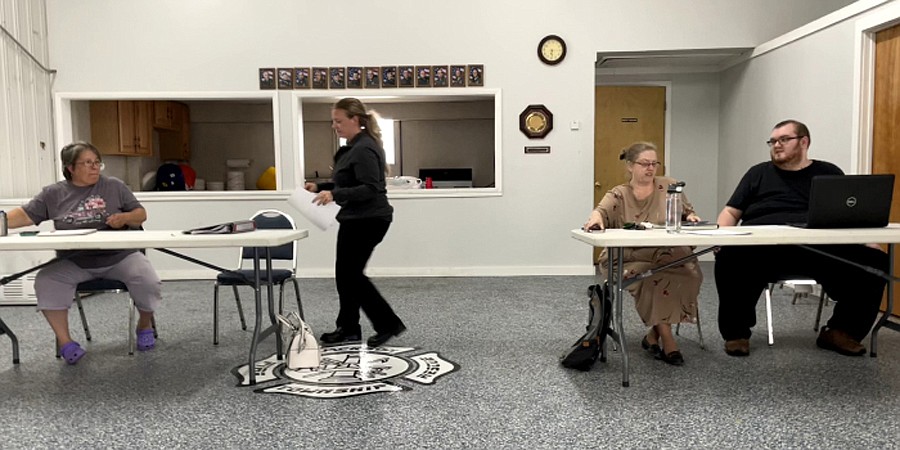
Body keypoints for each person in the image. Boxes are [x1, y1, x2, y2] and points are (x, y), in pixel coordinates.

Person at [715, 119, 888, 357]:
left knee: (875, 261)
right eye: (773, 141)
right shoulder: (758, 173)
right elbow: (730, 212)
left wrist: (868, 241)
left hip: (820, 249)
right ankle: (736, 334)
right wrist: (722, 238)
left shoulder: (828, 172)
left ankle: (841, 331)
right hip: (763, 248)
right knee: (729, 258)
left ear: (804, 141)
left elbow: (847, 215)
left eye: (784, 140)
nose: (776, 145)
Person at [5, 141, 162, 364]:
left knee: (148, 279)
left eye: (97, 162)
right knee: (47, 280)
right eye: (88, 163)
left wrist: (125, 218)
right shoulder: (53, 193)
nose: (95, 167)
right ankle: (66, 342)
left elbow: (140, 214)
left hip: (119, 257)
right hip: (75, 261)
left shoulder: (114, 186)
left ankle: (144, 324)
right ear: (70, 168)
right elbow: (25, 215)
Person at [583, 141, 703, 366]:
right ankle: (668, 341)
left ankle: (652, 336)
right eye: (644, 164)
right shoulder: (618, 194)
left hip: (666, 254)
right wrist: (597, 219)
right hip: (628, 257)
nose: (650, 168)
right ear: (630, 166)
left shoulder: (670, 186)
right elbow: (599, 213)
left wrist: (691, 218)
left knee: (690, 273)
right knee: (652, 279)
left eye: (654, 164)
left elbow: (688, 213)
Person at [304, 98, 406, 347]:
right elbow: (349, 182)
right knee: (344, 275)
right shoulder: (353, 148)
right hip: (354, 219)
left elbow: (371, 188)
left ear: (355, 120)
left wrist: (335, 194)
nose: (334, 126)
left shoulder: (364, 148)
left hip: (369, 220)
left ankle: (388, 324)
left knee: (351, 275)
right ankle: (348, 327)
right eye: (333, 121)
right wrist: (321, 186)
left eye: (338, 121)